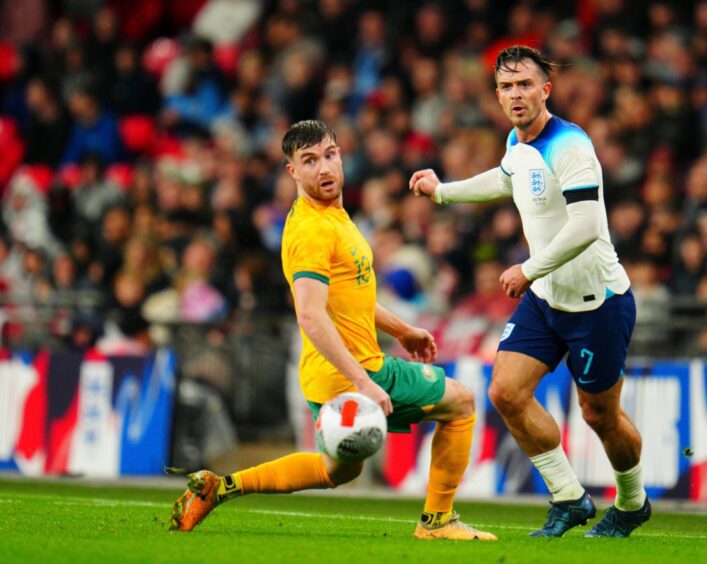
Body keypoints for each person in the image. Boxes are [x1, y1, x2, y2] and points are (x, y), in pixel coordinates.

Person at [170, 120, 496, 541]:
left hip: (325, 374)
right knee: (461, 403)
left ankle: (221, 487)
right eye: (309, 161)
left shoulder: (333, 215)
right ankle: (437, 521)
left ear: (341, 155)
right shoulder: (310, 231)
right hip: (356, 369)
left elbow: (349, 296)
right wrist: (364, 382)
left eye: (328, 155)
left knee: (337, 470)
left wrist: (403, 329)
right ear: (292, 172)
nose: (323, 169)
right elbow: (310, 315)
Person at [409, 46, 650, 538]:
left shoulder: (571, 146)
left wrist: (528, 268)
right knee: (505, 391)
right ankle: (569, 497)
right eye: (505, 86)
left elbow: (586, 224)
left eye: (524, 85)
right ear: (496, 94)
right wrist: (443, 191)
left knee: (599, 415)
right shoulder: (517, 142)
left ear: (546, 89)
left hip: (597, 302)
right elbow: (506, 178)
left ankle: (632, 502)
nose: (515, 95)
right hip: (547, 298)